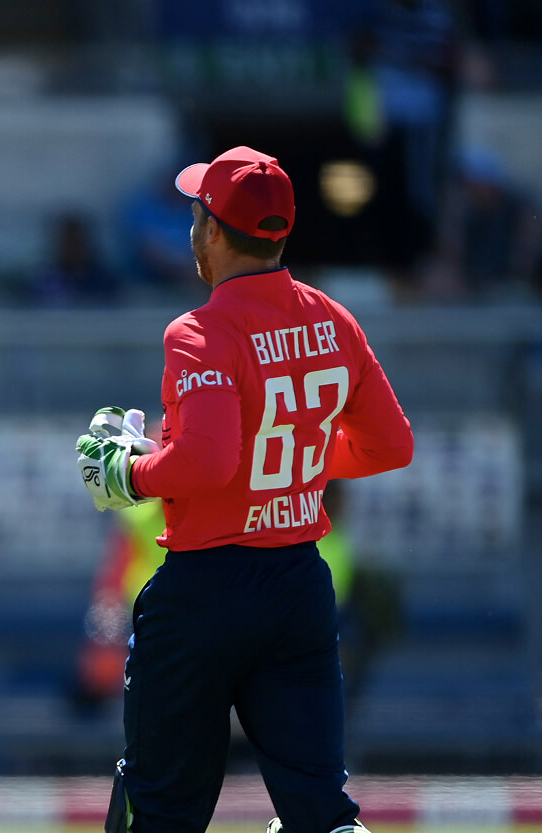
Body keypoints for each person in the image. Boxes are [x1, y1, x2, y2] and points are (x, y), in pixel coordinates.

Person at [74, 146, 414, 833]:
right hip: (297, 585)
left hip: (203, 590)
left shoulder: (199, 331)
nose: (191, 229)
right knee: (320, 810)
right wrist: (289, 466)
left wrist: (127, 472)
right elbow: (389, 444)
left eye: (197, 215)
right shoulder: (332, 320)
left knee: (158, 807)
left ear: (212, 231)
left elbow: (202, 461)